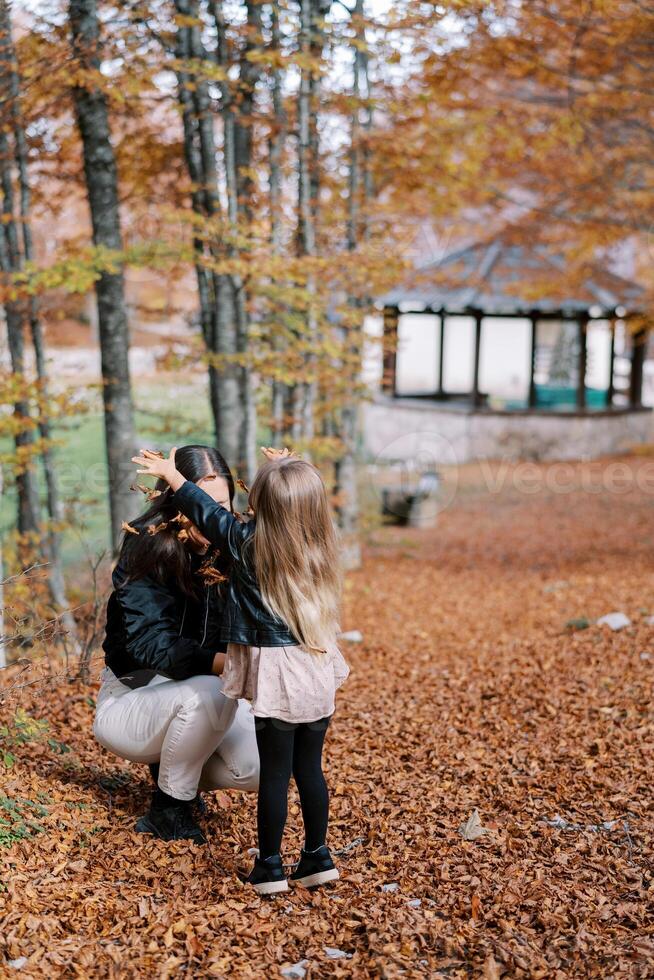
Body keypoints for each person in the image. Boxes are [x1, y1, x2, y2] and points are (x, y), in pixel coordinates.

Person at [132, 445, 349, 894]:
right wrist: (282, 468)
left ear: (261, 507)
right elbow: (293, 500)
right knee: (310, 771)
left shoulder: (249, 544)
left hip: (277, 673)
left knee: (275, 774)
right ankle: (317, 857)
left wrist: (174, 476)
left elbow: (206, 514)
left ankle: (270, 866)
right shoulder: (321, 547)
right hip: (317, 667)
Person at [95, 445, 259, 845]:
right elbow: (151, 645)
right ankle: (169, 810)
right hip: (133, 696)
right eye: (197, 502)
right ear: (174, 499)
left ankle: (175, 766)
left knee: (259, 765)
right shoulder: (147, 546)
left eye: (219, 504)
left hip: (200, 696)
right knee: (211, 688)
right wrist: (228, 665)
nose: (210, 514)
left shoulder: (232, 548)